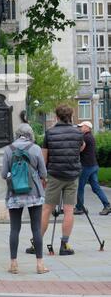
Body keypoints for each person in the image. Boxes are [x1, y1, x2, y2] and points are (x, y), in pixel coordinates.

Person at [26, 105, 84, 256]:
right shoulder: (78, 133)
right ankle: (64, 245)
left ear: (57, 116)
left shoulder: (50, 133)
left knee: (46, 209)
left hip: (54, 175)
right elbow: (81, 147)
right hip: (72, 175)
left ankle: (36, 243)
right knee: (69, 210)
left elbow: (44, 157)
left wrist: (42, 176)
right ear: (70, 116)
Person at [1, 123, 49, 274]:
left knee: (14, 229)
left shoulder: (8, 149)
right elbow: (43, 173)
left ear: (17, 134)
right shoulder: (35, 149)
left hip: (14, 193)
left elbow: (3, 174)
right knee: (36, 228)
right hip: (34, 192)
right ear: (30, 134)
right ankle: (40, 265)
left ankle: (13, 264)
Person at [74, 121, 111, 216]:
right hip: (93, 165)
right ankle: (107, 205)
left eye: (81, 127)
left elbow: (80, 149)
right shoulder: (91, 137)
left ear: (87, 127)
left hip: (86, 166)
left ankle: (79, 208)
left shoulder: (85, 137)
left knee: (80, 187)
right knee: (96, 188)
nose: (80, 128)